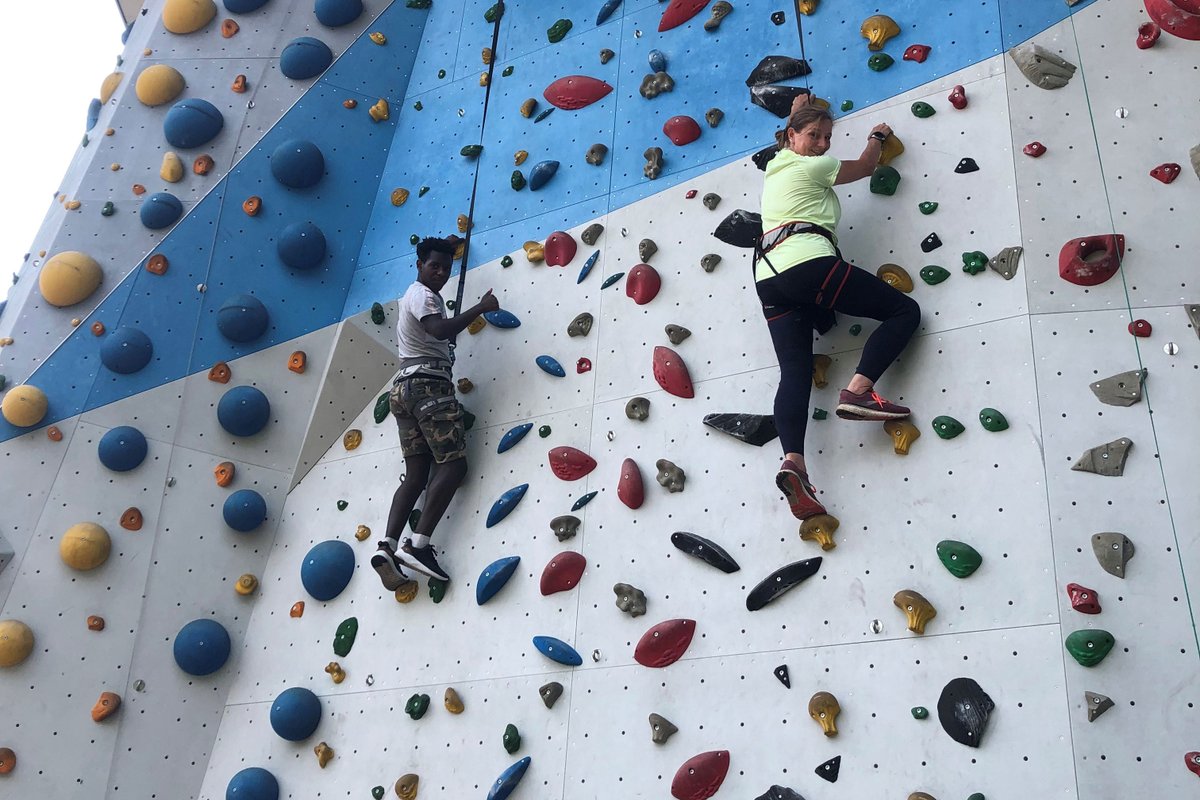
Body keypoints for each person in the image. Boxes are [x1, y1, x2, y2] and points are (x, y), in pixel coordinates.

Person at [756, 95, 921, 521]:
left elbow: (797, 130)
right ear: (791, 137)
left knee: (795, 369)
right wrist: (877, 136)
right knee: (904, 312)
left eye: (828, 137)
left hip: (767, 275)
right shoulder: (811, 165)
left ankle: (794, 462)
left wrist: (800, 108)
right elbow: (866, 166)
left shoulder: (776, 168)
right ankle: (860, 391)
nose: (823, 144)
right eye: (815, 135)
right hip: (806, 263)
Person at [371, 236, 499, 589]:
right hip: (428, 386)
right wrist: (481, 307)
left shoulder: (413, 296)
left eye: (446, 267)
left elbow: (434, 333)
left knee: (416, 474)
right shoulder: (424, 296)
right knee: (454, 464)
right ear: (419, 266)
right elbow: (438, 329)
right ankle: (419, 544)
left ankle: (387, 546)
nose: (442, 273)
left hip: (403, 390)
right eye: (435, 266)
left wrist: (451, 243)